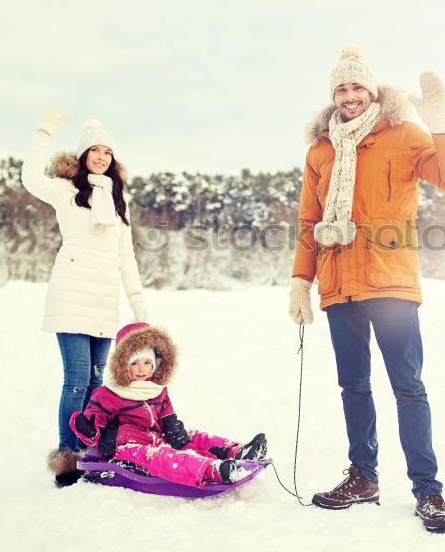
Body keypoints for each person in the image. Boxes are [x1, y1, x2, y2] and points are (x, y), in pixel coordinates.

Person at [287, 46, 445, 533]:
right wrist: (299, 283)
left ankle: (428, 491)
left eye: (356, 87)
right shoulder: (320, 150)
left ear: (372, 91)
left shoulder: (405, 134)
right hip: (338, 285)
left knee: (408, 388)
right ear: (332, 95)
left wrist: (442, 125)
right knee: (354, 387)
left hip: (391, 282)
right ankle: (363, 477)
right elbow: (309, 220)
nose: (349, 97)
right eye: (340, 89)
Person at [21, 105, 149, 487]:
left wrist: (139, 305)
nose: (101, 156)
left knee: (97, 382)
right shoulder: (65, 191)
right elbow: (29, 177)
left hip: (104, 300)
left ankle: (90, 453)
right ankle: (68, 456)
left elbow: (126, 257)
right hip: (71, 295)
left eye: (107, 152)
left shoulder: (117, 201)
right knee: (76, 379)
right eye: (94, 150)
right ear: (82, 156)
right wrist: (46, 129)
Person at [70, 322, 268, 487]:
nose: (141, 370)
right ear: (122, 365)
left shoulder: (157, 389)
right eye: (134, 363)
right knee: (163, 457)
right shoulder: (109, 393)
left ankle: (238, 451)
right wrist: (88, 430)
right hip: (124, 447)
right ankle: (213, 470)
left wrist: (184, 444)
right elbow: (95, 425)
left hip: (155, 436)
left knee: (193, 436)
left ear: (155, 364)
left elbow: (169, 420)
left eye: (147, 363)